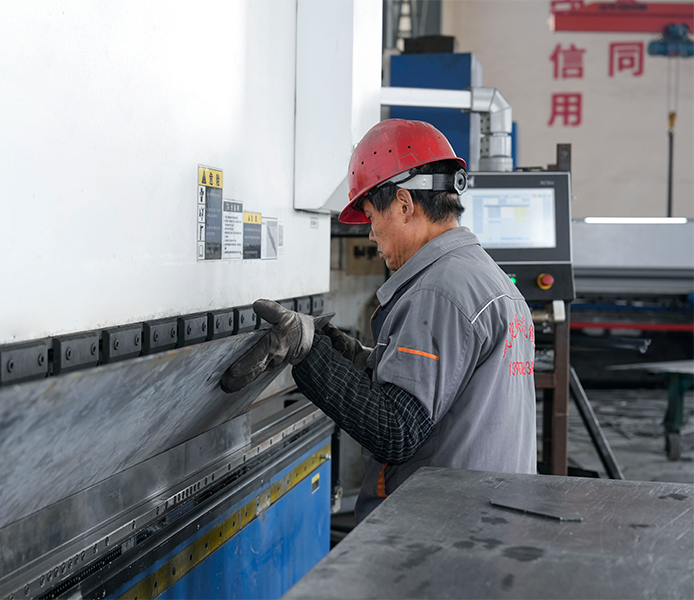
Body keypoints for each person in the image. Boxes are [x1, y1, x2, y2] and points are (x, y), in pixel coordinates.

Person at [221, 119, 537, 523]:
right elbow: (452, 395)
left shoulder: (438, 292)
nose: (370, 234)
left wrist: (308, 351)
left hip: (444, 530)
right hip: (488, 519)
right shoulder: (489, 280)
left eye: (371, 216)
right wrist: (359, 361)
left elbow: (396, 430)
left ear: (404, 204)